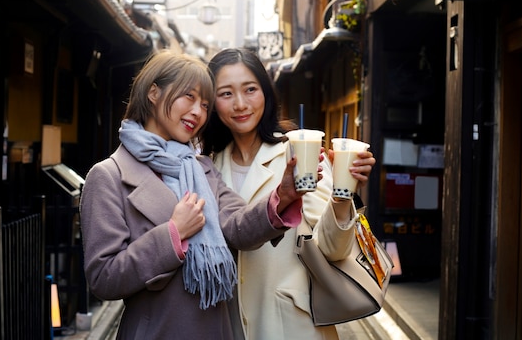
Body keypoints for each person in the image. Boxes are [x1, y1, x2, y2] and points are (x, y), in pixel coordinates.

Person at [79, 51, 310, 340]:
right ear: (153, 92)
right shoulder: (109, 175)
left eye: (204, 104)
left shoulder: (201, 168)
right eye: (188, 97)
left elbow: (238, 226)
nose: (198, 112)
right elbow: (103, 278)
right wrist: (173, 235)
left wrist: (283, 197)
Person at [201, 48, 377, 340]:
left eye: (250, 89)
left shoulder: (299, 154)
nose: (241, 104)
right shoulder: (208, 167)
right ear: (213, 103)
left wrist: (343, 195)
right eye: (226, 93)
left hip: (291, 325)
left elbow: (332, 249)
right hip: (230, 325)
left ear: (266, 94)